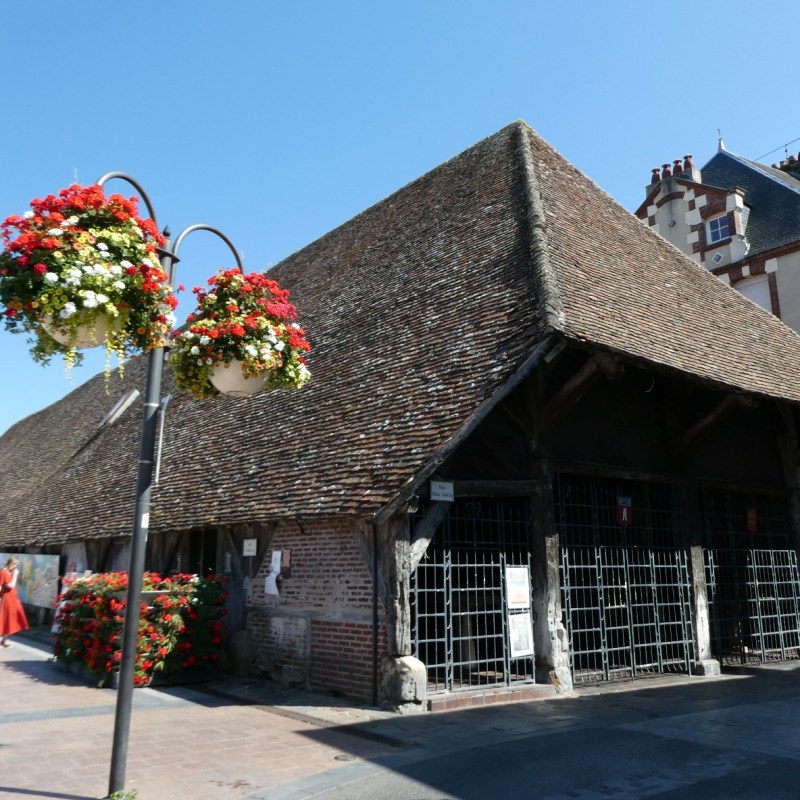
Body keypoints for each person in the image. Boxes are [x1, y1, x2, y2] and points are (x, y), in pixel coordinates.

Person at [0, 556, 29, 647]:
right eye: (16, 565)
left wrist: (13, 574)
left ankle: (4, 640)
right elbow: (10, 585)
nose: (16, 567)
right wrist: (16, 575)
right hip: (6, 599)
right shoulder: (4, 572)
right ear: (12, 564)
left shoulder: (9, 572)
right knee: (3, 618)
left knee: (9, 619)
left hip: (12, 599)